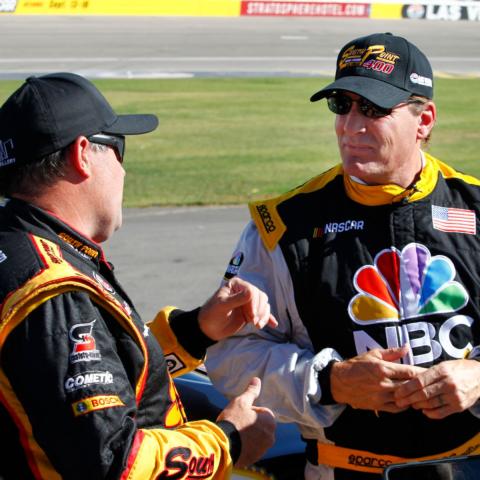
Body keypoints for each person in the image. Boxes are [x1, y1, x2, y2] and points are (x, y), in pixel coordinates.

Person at [205, 32, 480, 480]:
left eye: (372, 109)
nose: (351, 126)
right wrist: (330, 381)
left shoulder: (474, 207)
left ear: (424, 119)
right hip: (344, 470)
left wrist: (477, 375)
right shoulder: (283, 226)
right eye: (342, 106)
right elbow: (231, 357)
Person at [0, 72, 278, 479]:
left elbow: (86, 379)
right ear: (82, 154)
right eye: (119, 149)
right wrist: (229, 441)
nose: (125, 172)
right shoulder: (50, 288)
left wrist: (193, 333)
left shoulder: (22, 245)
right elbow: (111, 461)